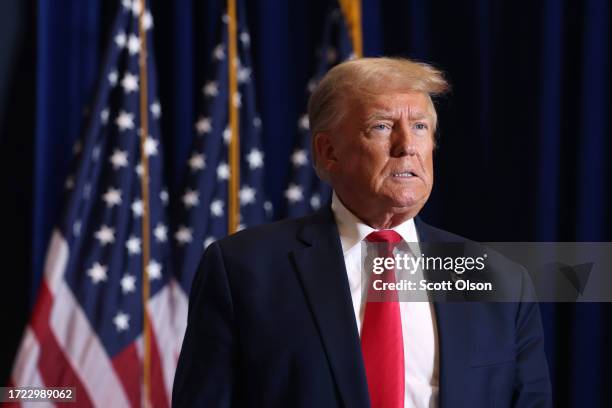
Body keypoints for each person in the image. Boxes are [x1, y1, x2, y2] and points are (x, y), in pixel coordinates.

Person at [172, 57, 552, 407]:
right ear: (328, 152)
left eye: (419, 127)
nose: (407, 147)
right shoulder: (243, 270)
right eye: (382, 126)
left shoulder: (500, 279)